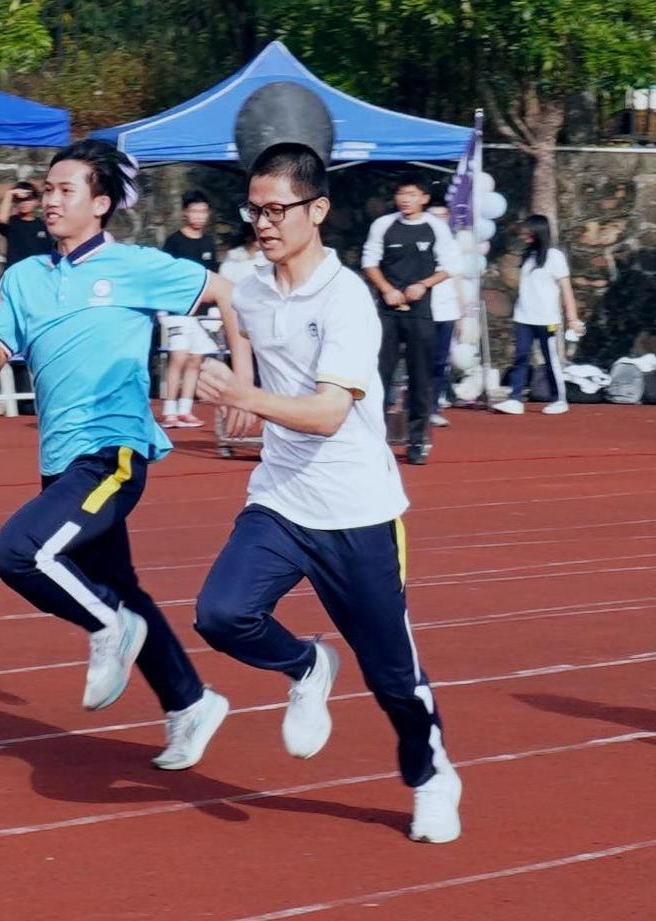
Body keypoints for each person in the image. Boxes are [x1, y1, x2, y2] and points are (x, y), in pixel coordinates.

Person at [195, 143, 463, 844]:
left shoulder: (346, 300)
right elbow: (224, 304)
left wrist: (244, 395)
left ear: (317, 210)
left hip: (358, 511)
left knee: (392, 677)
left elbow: (327, 413)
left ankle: (431, 775)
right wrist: (235, 367)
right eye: (254, 209)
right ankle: (307, 664)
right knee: (221, 614)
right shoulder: (250, 285)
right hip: (282, 499)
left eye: (276, 210)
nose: (262, 223)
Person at [0, 139, 249, 771]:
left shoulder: (135, 266)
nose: (51, 200)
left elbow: (229, 292)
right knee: (121, 588)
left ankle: (108, 627)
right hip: (59, 461)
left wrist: (244, 382)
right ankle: (190, 702)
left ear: (100, 204)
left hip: (112, 452)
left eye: (65, 191)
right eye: (47, 189)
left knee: (17, 553)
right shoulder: (24, 278)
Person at [362, 175, 462, 464]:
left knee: (421, 379)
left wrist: (423, 285)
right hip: (388, 312)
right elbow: (370, 262)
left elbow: (450, 266)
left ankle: (417, 443)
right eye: (401, 194)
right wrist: (387, 290)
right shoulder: (383, 225)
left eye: (412, 194)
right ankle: (373, 441)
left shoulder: (436, 227)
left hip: (421, 313)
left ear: (424, 199)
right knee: (379, 376)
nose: (405, 199)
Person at [492, 214, 583, 416]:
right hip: (523, 317)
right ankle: (515, 398)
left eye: (528, 232)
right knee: (521, 356)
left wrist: (572, 318)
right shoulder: (529, 256)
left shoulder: (555, 256)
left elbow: (566, 289)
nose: (524, 236)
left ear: (538, 232)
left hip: (547, 319)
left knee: (551, 359)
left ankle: (559, 398)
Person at [159, 190, 219, 428]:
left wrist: (214, 309)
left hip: (201, 313)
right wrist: (162, 309)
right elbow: (163, 275)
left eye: (203, 211)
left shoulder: (209, 242)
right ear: (185, 212)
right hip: (177, 311)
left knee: (195, 360)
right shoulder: (174, 242)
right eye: (194, 210)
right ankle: (169, 410)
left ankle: (185, 410)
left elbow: (213, 277)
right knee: (178, 358)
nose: (199, 215)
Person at [426, 202, 465, 426]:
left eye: (442, 216)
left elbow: (457, 279)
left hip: (446, 310)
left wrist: (460, 313)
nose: (438, 220)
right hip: (423, 311)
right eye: (433, 215)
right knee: (420, 360)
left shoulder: (452, 245)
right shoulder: (419, 239)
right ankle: (414, 406)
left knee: (440, 362)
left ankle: (433, 407)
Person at [0, 181, 51, 269]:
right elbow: (1, 220)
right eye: (19, 200)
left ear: (36, 201)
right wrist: (9, 194)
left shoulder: (43, 225)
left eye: (28, 199)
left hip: (39, 272)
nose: (24, 203)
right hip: (15, 272)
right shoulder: (12, 222)